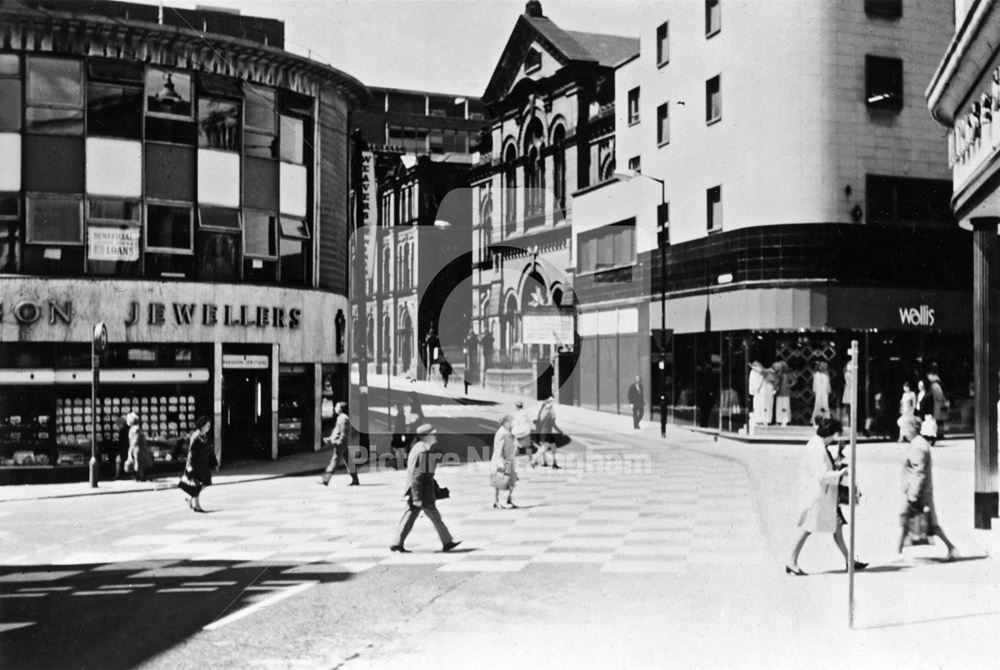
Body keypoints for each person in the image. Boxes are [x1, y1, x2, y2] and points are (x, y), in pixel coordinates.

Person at [785, 417, 867, 576]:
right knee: (807, 528)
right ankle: (791, 561)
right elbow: (822, 475)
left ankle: (850, 561)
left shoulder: (817, 445)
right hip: (818, 496)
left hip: (823, 496)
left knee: (836, 528)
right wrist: (841, 472)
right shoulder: (818, 449)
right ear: (831, 433)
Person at [390, 424, 461, 553]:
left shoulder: (417, 448)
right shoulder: (423, 451)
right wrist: (417, 497)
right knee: (435, 516)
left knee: (410, 515)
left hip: (417, 490)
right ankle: (447, 542)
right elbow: (418, 475)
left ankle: (397, 543)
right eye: (433, 434)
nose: (435, 436)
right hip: (422, 492)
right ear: (426, 436)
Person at [897, 416, 957, 561]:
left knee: (914, 519)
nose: (902, 430)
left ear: (911, 428)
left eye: (904, 427)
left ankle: (951, 548)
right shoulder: (917, 443)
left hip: (918, 492)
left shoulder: (918, 445)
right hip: (917, 490)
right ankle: (898, 551)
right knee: (916, 521)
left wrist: (913, 494)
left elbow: (919, 472)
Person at [178, 416, 216, 513]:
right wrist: (189, 467)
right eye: (207, 426)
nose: (209, 427)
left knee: (205, 483)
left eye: (209, 426)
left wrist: (213, 461)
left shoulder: (204, 435)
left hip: (203, 464)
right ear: (202, 426)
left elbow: (208, 450)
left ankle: (191, 499)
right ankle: (197, 505)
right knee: (199, 484)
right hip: (196, 464)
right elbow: (191, 452)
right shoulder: (196, 436)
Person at [321, 401, 359, 486]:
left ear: (341, 409)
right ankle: (355, 479)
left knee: (334, 461)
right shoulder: (341, 417)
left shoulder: (343, 418)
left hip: (341, 444)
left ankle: (325, 479)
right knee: (349, 461)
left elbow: (344, 433)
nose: (335, 408)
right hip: (342, 443)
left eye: (337, 407)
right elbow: (337, 432)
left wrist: (338, 442)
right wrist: (329, 439)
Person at [491, 415, 519, 509]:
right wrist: (501, 462)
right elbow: (499, 449)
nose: (512, 424)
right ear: (505, 423)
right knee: (499, 481)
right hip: (501, 460)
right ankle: (496, 501)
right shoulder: (502, 433)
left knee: (513, 480)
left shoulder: (508, 432)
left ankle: (509, 498)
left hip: (508, 459)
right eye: (510, 422)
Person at [531, 396, 560, 469]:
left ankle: (554, 463)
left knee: (553, 447)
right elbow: (554, 425)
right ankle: (534, 460)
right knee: (543, 448)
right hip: (547, 433)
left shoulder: (542, 414)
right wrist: (560, 431)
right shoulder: (550, 415)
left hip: (544, 432)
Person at [125, 411, 153, 482]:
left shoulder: (132, 429)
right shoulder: (136, 428)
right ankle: (140, 477)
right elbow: (135, 440)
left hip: (136, 448)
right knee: (139, 463)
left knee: (138, 463)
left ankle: (138, 477)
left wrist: (130, 450)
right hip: (138, 449)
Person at [926, 363, 948, 440]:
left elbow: (939, 396)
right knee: (940, 420)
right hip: (939, 404)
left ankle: (939, 434)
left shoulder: (935, 384)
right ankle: (940, 434)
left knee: (938, 420)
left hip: (937, 405)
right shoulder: (938, 382)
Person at [917, 378, 937, 445]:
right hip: (921, 413)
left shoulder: (929, 395)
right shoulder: (919, 394)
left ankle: (932, 440)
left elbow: (930, 405)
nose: (920, 387)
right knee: (923, 428)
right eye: (919, 385)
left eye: (921, 386)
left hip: (927, 414)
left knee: (929, 427)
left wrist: (930, 414)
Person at [389, 402, 409, 471]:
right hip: (399, 435)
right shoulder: (401, 415)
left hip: (398, 435)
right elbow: (402, 426)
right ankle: (399, 465)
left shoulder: (400, 415)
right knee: (400, 450)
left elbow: (400, 426)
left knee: (399, 450)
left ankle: (399, 465)